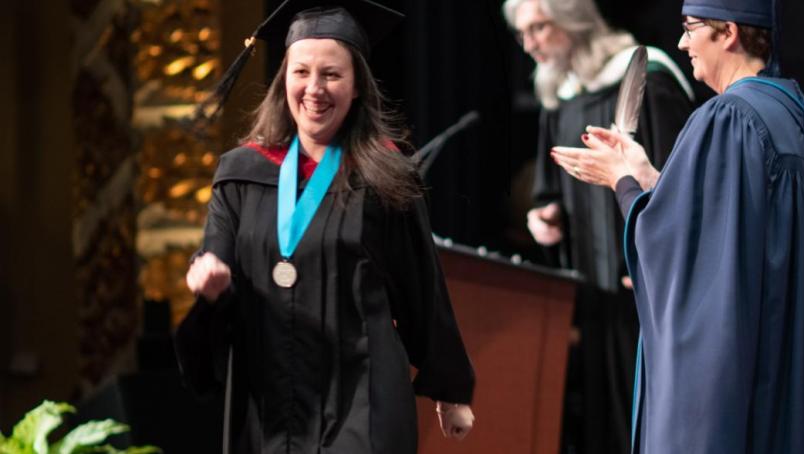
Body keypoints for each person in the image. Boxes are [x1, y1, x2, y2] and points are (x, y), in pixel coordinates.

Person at [174, 1, 475, 452]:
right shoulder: (241, 174)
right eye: (301, 73)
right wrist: (211, 284)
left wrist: (450, 389)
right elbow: (215, 260)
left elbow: (421, 285)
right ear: (284, 81)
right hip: (269, 398)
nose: (314, 89)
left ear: (356, 88)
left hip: (363, 392)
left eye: (331, 74)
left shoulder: (385, 177)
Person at [559, 0, 804, 452]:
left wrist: (622, 183)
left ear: (727, 32)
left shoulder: (725, 116)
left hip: (734, 376)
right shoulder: (790, 111)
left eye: (691, 29)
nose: (681, 42)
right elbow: (724, 218)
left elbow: (681, 253)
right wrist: (651, 177)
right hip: (778, 362)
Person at [502, 0, 693, 452]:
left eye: (539, 27)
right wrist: (543, 218)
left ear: (573, 19)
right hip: (590, 294)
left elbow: (681, 185)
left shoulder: (649, 80)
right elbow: (548, 192)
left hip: (646, 290)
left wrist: (657, 256)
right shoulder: (562, 95)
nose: (529, 44)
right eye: (521, 33)